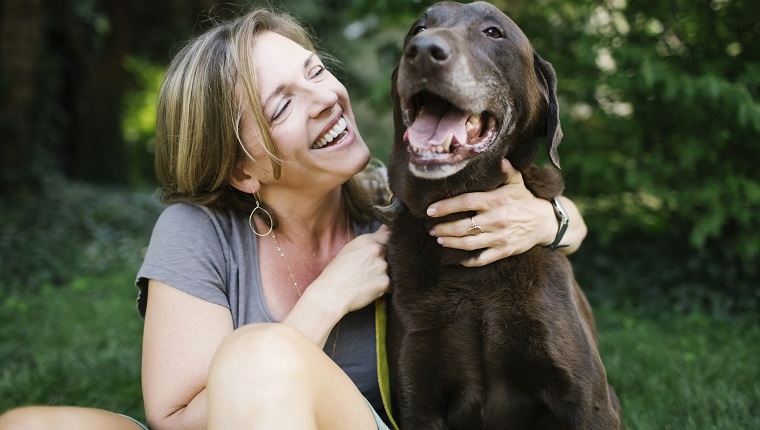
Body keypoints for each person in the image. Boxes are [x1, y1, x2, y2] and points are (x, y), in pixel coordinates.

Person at [0, 7, 587, 430]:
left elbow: (539, 219)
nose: (326, 98)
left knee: (258, 354)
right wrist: (326, 300)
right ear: (240, 170)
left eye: (314, 72)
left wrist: (551, 218)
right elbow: (177, 421)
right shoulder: (198, 233)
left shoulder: (398, 213)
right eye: (282, 104)